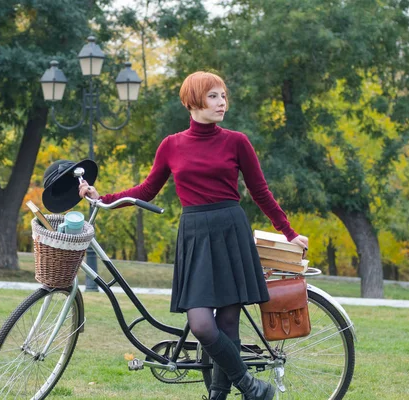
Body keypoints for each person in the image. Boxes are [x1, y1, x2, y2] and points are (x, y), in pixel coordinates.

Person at [78, 71, 309, 400]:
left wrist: (289, 233)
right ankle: (252, 387)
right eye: (214, 96)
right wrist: (102, 200)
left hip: (230, 231)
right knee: (201, 324)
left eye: (223, 96)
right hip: (196, 235)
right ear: (193, 101)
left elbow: (260, 192)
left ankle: (218, 396)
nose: (222, 103)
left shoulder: (237, 141)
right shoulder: (171, 145)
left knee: (228, 323)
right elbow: (146, 190)